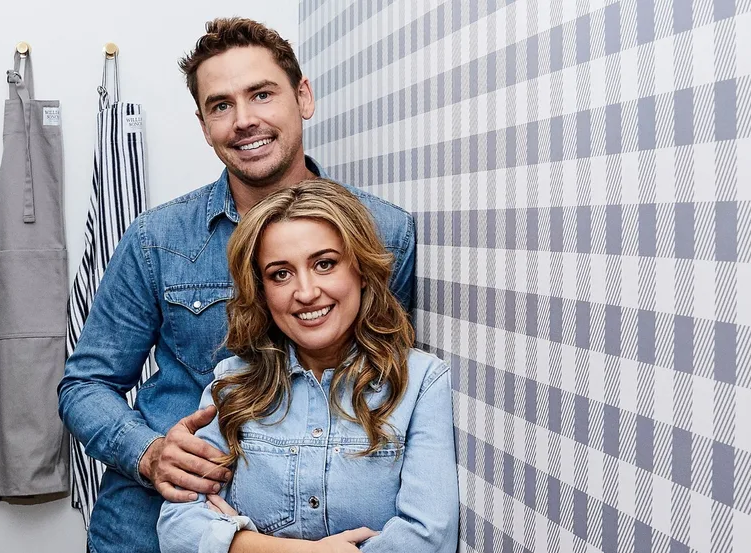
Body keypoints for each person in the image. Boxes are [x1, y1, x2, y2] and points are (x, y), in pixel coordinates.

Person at [57, 18, 417, 553]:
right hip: (151, 521)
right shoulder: (157, 239)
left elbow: (388, 377)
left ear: (303, 97)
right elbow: (84, 384)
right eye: (221, 105)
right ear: (204, 126)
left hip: (305, 534)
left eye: (262, 94)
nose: (244, 120)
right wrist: (148, 451)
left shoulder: (383, 232)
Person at [156, 179, 459, 553]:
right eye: (280, 274)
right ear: (262, 291)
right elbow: (176, 528)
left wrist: (236, 542)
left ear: (361, 270)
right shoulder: (233, 382)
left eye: (325, 264)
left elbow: (428, 539)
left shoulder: (420, 383)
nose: (306, 292)